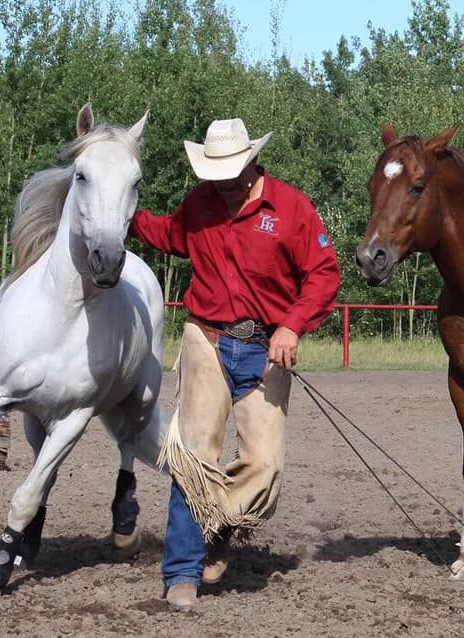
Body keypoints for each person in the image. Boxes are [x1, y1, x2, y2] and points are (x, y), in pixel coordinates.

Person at [129, 118, 341, 610]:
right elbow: (169, 234)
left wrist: (292, 325)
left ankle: (218, 522)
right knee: (194, 458)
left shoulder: (291, 208)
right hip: (206, 338)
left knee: (264, 467)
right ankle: (181, 571)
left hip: (268, 347)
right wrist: (126, 214)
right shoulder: (200, 204)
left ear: (249, 166)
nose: (218, 185)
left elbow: (323, 274)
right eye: (212, 175)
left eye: (227, 175)